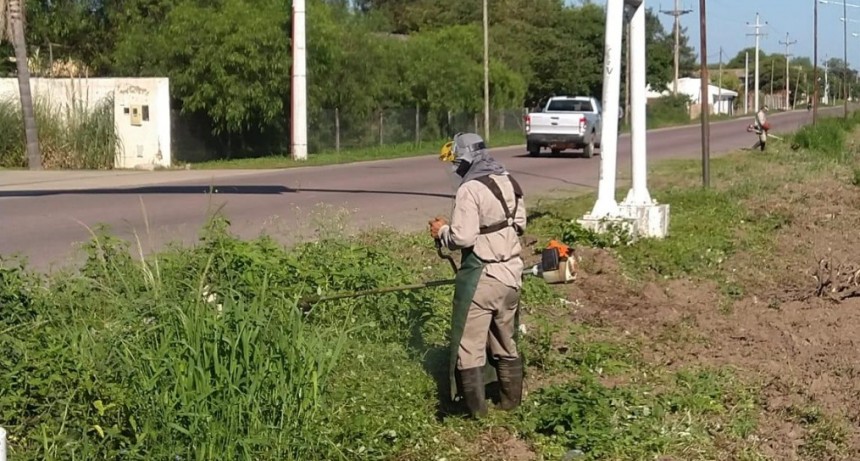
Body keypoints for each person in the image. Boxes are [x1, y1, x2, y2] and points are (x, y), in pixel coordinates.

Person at [429, 132, 527, 418]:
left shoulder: (470, 189)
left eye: (457, 162)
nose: (455, 168)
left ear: (467, 159)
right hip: (511, 276)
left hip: (482, 278)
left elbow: (463, 237)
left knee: (468, 347)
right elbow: (519, 224)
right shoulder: (509, 180)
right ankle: (510, 404)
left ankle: (475, 415)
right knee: (504, 341)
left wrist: (442, 232)